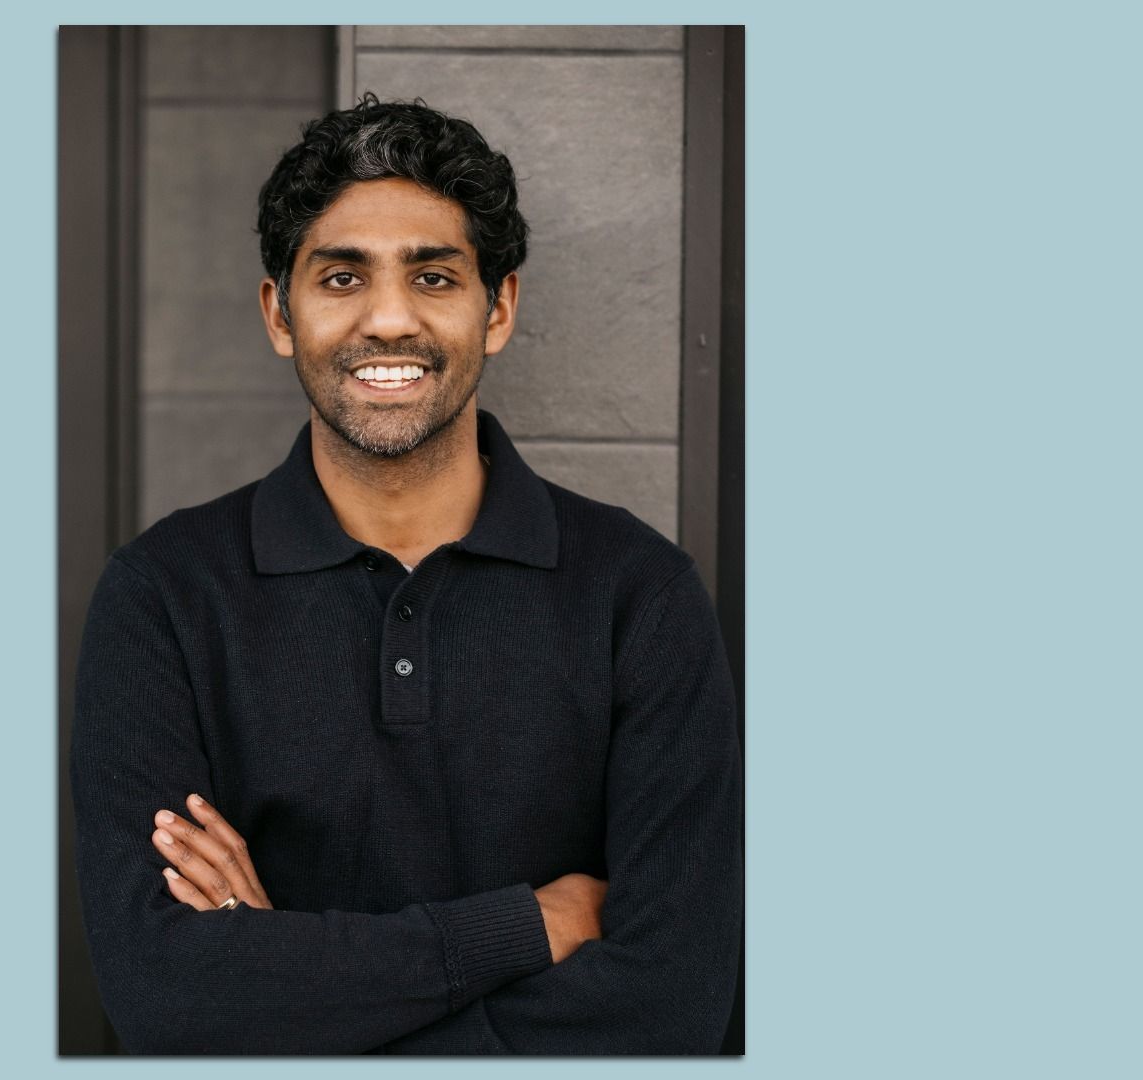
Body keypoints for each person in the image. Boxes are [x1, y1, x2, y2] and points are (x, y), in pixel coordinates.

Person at [69, 95, 741, 1054]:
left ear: (497, 308)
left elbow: (673, 1011)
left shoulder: (640, 596)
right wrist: (525, 929)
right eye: (342, 276)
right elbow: (167, 1004)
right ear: (279, 313)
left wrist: (280, 982)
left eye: (433, 275)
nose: (389, 320)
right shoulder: (164, 599)